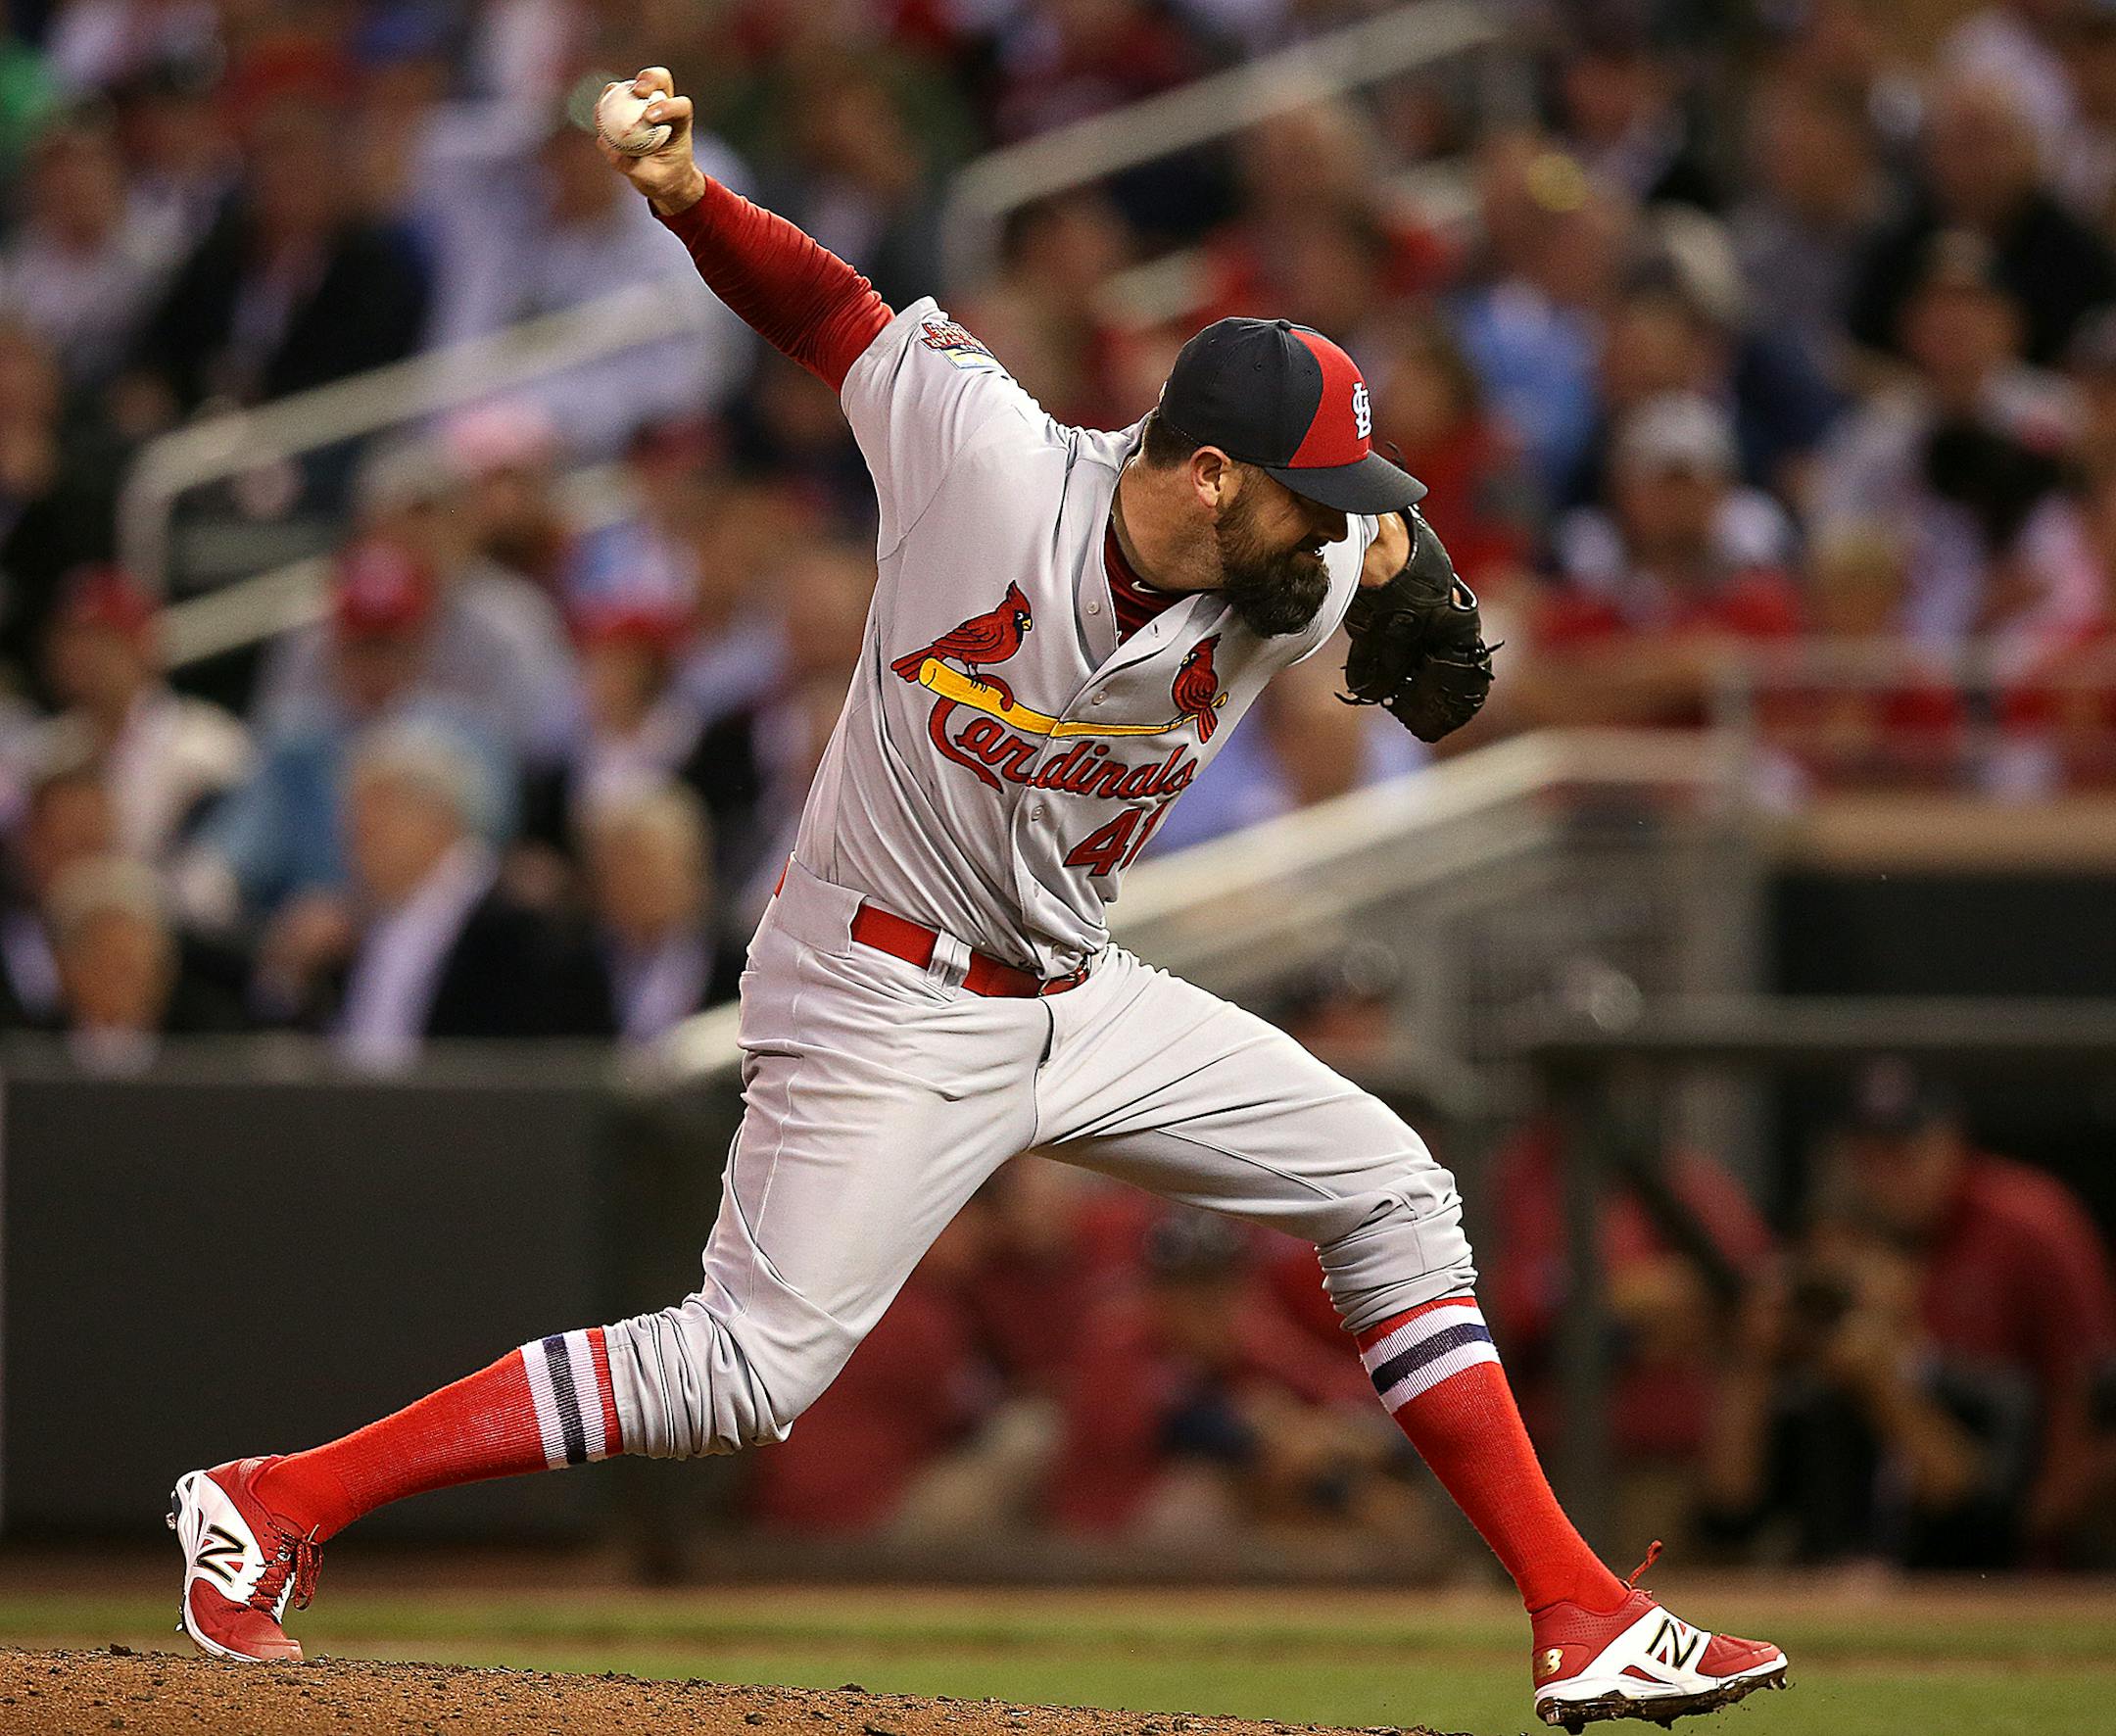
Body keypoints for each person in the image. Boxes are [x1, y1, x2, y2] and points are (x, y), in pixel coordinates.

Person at [167, 70, 1785, 1729]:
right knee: (739, 1372)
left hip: (1076, 991)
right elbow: (831, 314)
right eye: (1312, 490)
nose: (1335, 522)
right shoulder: (990, 463)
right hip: (877, 982)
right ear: (1210, 475)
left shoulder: (1293, 572)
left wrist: (1423, 576)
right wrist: (686, 197)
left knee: (1389, 1190)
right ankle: (273, 1503)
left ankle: (1579, 1613)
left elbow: (1395, 563)